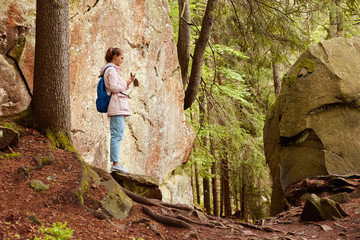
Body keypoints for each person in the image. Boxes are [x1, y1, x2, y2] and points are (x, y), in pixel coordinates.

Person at [100, 47, 136, 173]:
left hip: (118, 106)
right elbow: (114, 87)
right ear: (114, 56)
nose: (122, 60)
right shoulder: (111, 71)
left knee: (118, 135)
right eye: (121, 58)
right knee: (116, 135)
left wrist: (126, 83)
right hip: (116, 107)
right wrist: (125, 83)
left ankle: (116, 162)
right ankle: (115, 163)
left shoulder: (112, 71)